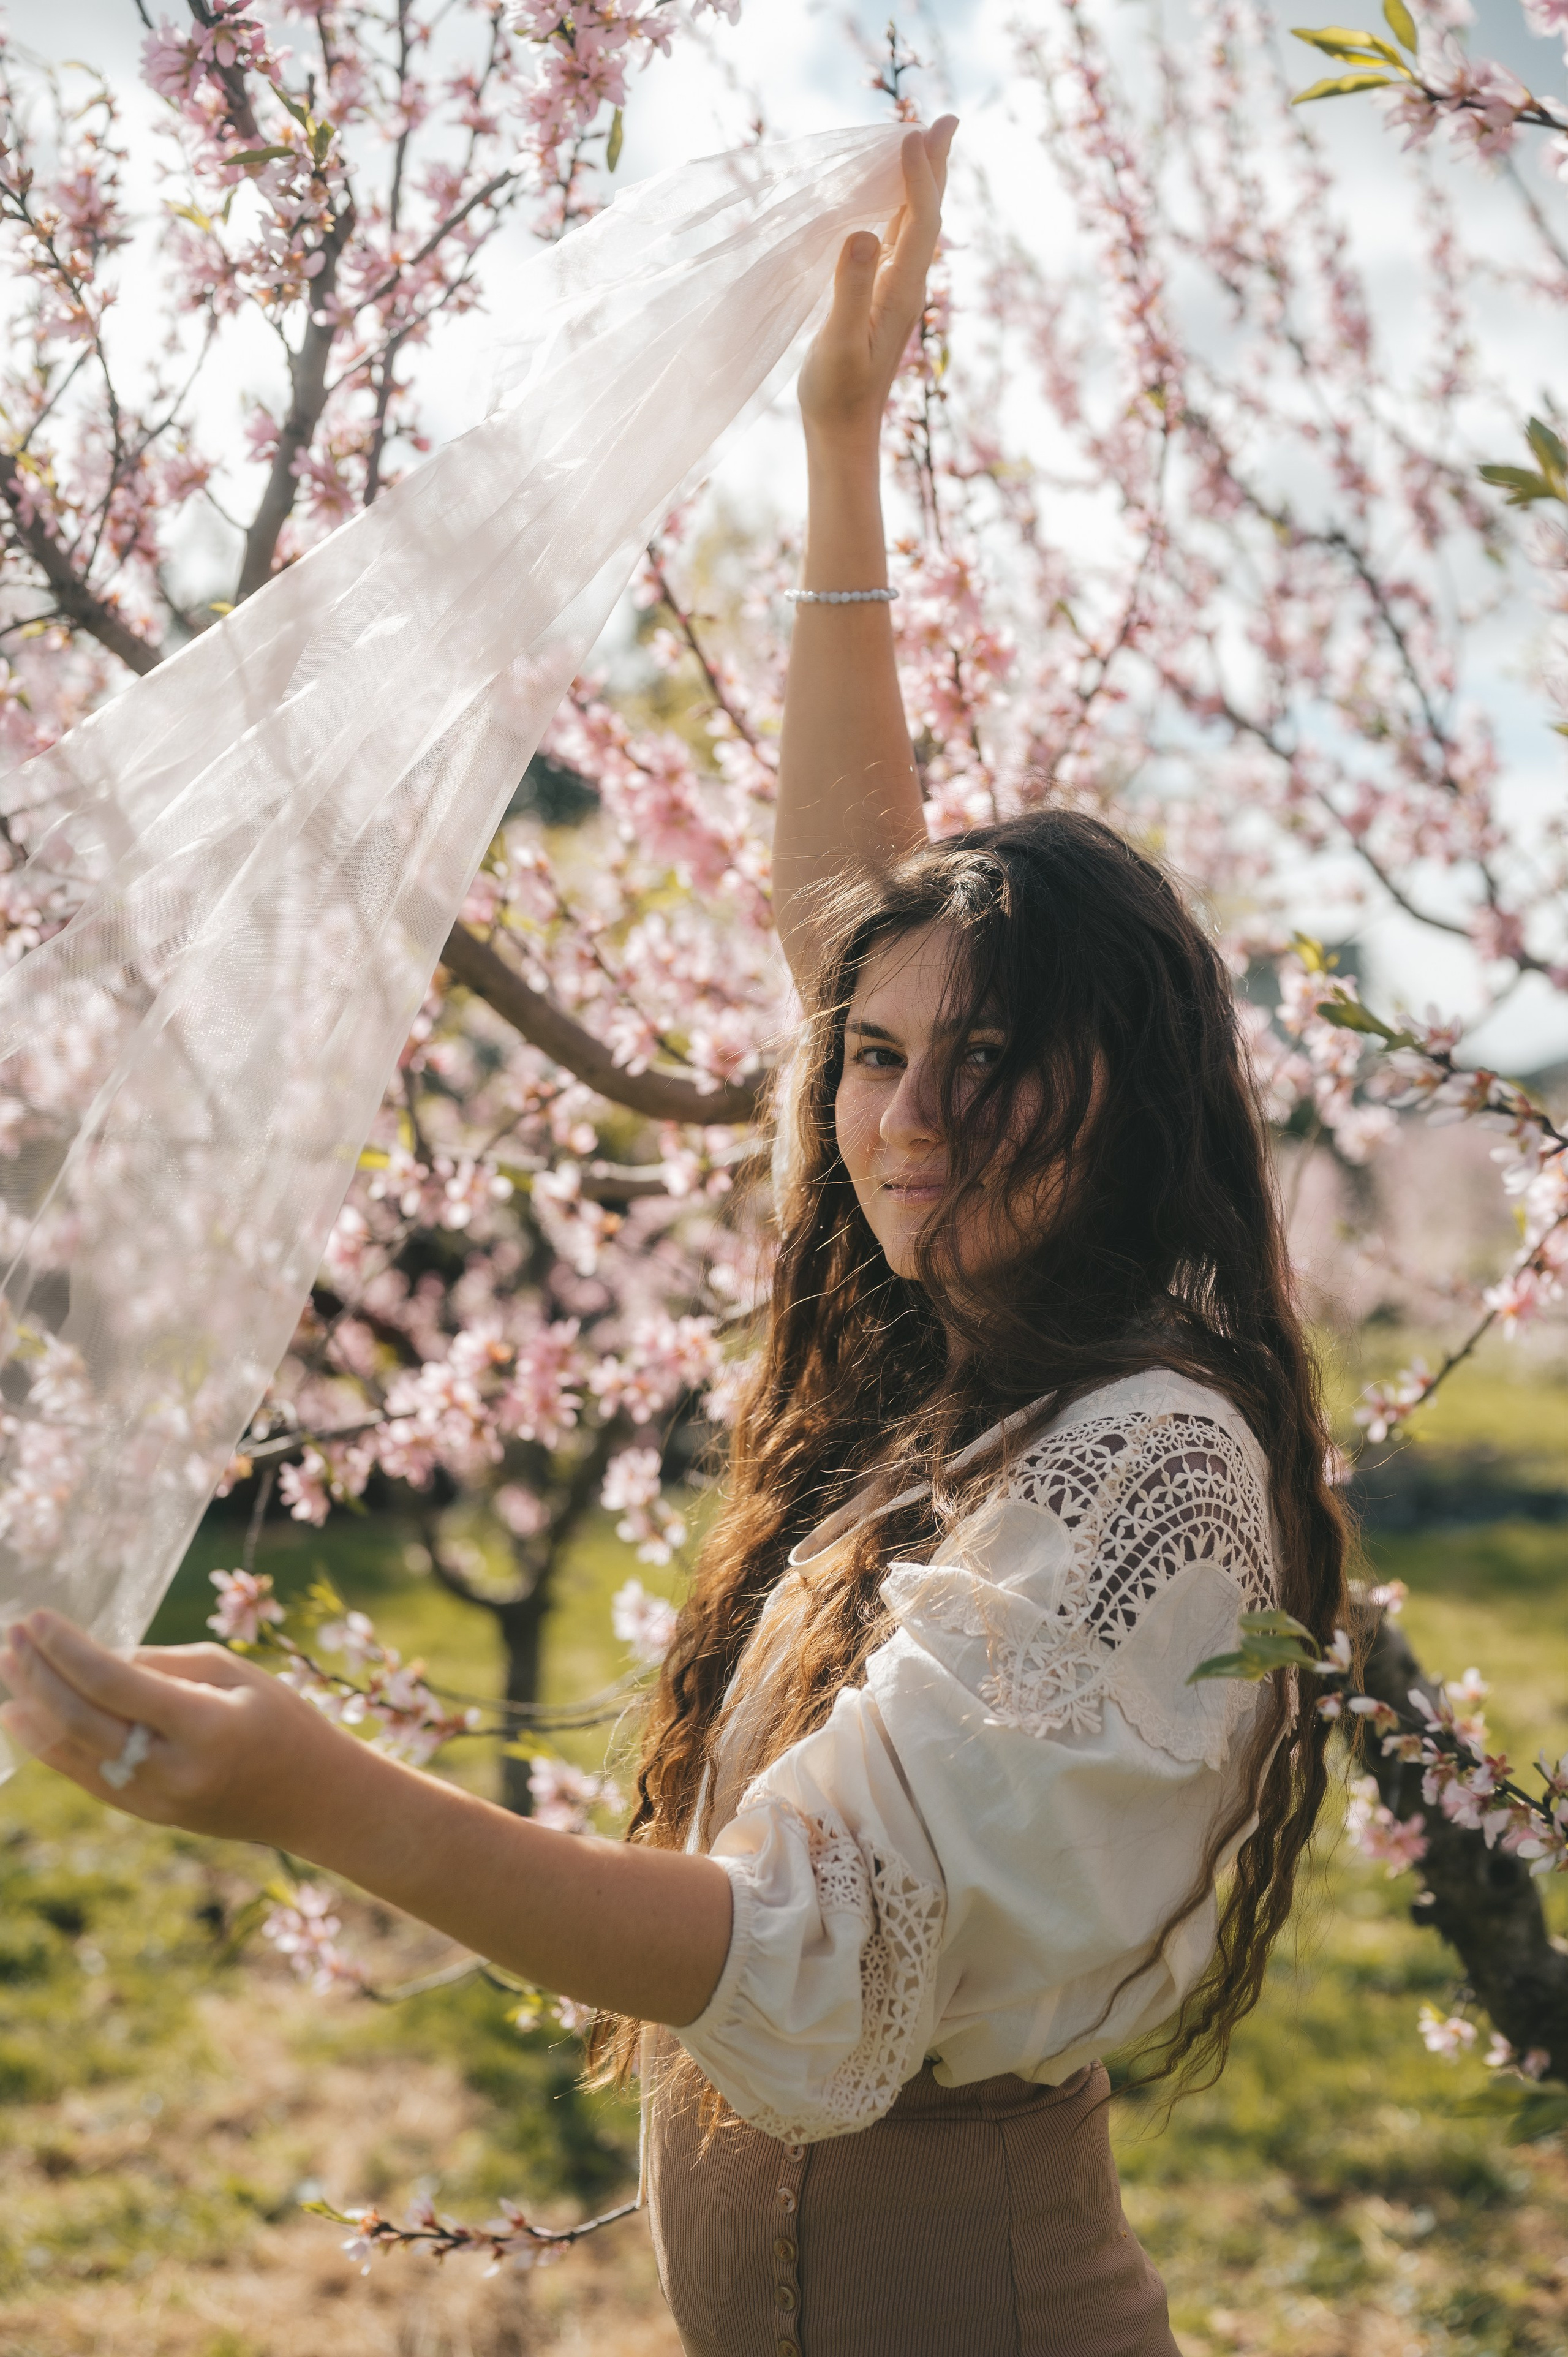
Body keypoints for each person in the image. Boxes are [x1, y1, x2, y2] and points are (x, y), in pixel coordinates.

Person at [0, 119, 1348, 2357]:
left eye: (991, 1060)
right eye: (881, 1058)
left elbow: (797, 1942)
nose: (912, 1117)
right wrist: (840, 460)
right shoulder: (958, 1347)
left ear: (1136, 1098)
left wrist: (322, 1791)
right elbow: (838, 915)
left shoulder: (1151, 1472)